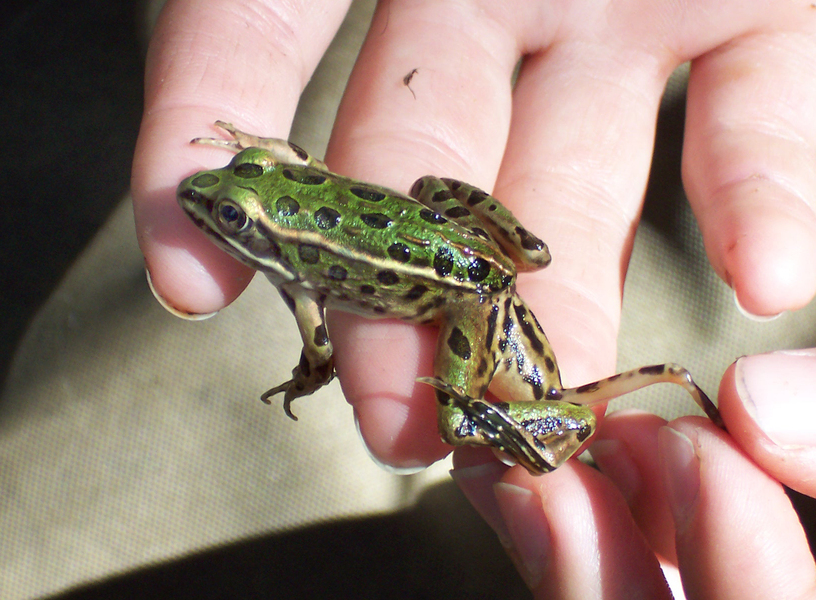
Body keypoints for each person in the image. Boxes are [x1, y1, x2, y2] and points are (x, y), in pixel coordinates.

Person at [131, 1, 816, 597]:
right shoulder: (290, 195)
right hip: (463, 239)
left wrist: (307, 378)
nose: (206, 198)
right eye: (238, 195)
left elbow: (321, 349)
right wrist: (264, 152)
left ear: (264, 238)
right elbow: (296, 161)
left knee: (455, 419)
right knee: (431, 184)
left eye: (234, 216)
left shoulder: (296, 275)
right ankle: (540, 305)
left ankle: (513, 423)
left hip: (468, 298)